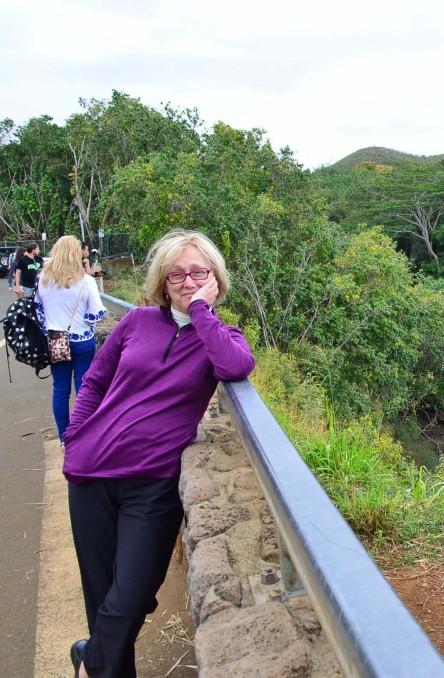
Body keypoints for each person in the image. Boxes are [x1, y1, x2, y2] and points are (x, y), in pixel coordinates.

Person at [63, 229, 255, 678]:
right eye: (176, 275)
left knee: (130, 597)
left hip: (152, 485)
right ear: (162, 282)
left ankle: (91, 657)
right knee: (102, 597)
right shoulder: (136, 323)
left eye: (197, 273)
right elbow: (94, 381)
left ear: (214, 279)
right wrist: (75, 436)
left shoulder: (221, 335)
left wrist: (203, 311)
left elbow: (235, 366)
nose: (187, 282)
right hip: (92, 474)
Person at [35, 236, 108, 446]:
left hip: (55, 342)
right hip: (81, 341)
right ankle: (84, 434)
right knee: (84, 389)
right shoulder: (86, 281)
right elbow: (96, 314)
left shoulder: (43, 279)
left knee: (60, 389)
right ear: (76, 254)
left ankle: (63, 437)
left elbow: (39, 311)